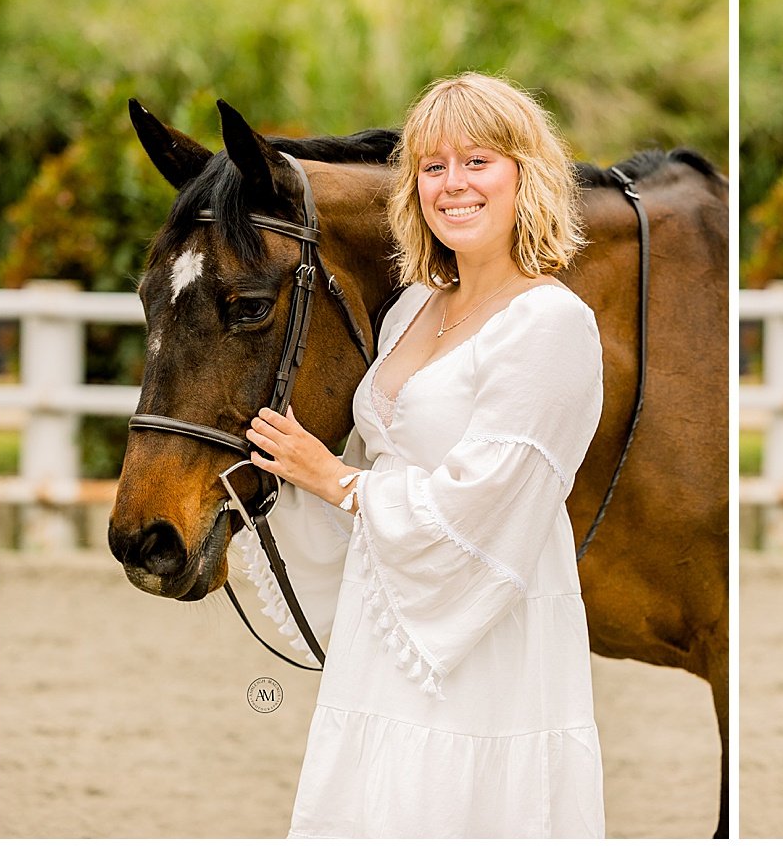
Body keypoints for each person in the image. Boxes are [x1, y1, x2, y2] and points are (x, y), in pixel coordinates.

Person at [233, 72, 606, 838]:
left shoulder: (551, 323)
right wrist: (276, 475)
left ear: (524, 175)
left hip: (489, 627)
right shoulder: (411, 306)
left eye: (478, 161)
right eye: (433, 167)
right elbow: (375, 465)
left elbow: (489, 498)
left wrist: (331, 479)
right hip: (386, 613)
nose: (452, 184)